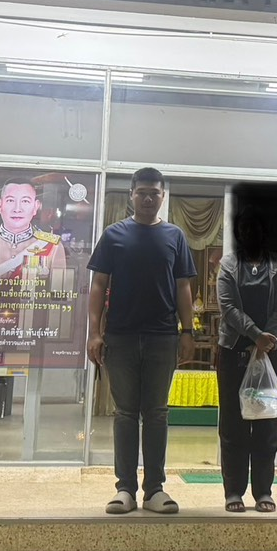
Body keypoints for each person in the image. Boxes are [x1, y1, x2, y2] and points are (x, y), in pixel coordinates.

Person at [86, 168, 197, 514]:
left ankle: (154, 490)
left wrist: (188, 331)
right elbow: (98, 285)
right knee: (124, 413)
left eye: (154, 193)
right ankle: (125, 489)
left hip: (163, 337)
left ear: (162, 197)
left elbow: (183, 287)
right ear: (131, 194)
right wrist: (94, 333)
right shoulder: (113, 235)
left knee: (157, 413)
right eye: (142, 192)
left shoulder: (175, 236)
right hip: (120, 336)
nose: (148, 198)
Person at [215, 182, 277, 513]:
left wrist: (267, 340)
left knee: (266, 423)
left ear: (265, 232)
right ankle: (233, 491)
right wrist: (255, 336)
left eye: (256, 227)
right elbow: (228, 307)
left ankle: (263, 491)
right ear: (239, 232)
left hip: (269, 353)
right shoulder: (227, 265)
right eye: (245, 227)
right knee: (233, 424)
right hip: (232, 352)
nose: (251, 232)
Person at [0, 178, 67, 282]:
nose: (17, 209)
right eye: (10, 200)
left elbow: (58, 291)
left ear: (35, 207)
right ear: (0, 205)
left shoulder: (53, 247)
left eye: (25, 201)